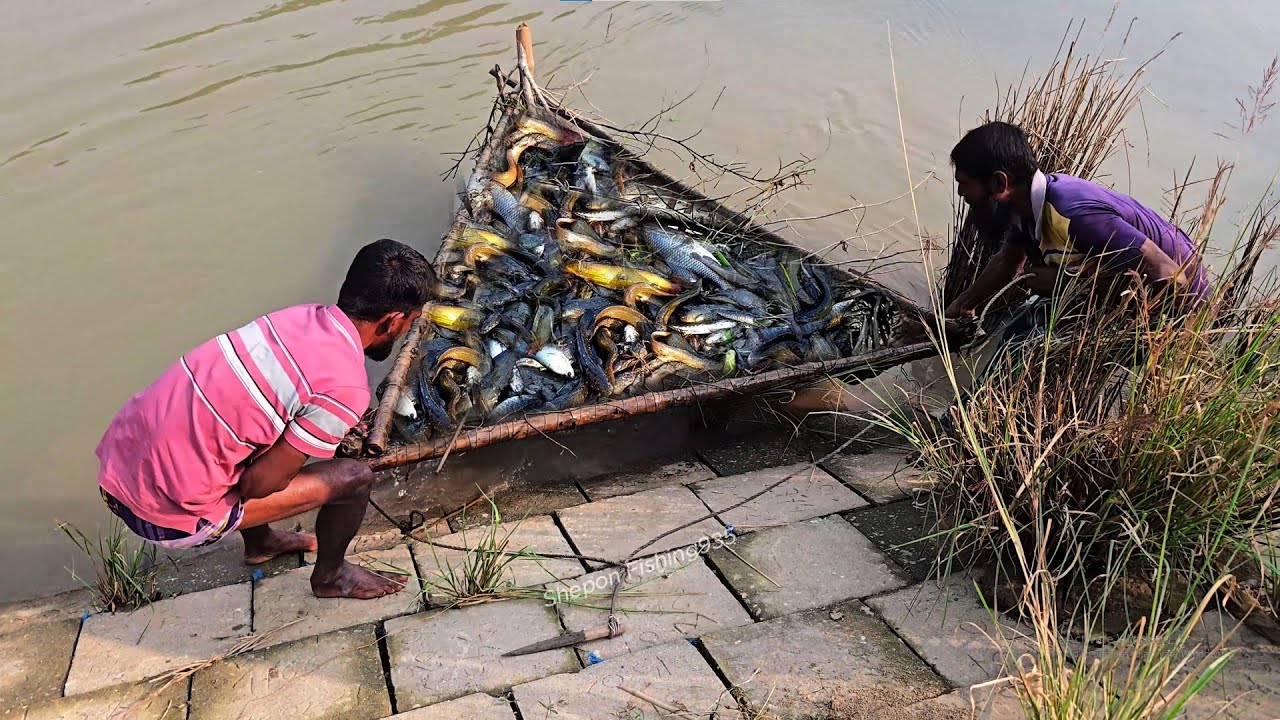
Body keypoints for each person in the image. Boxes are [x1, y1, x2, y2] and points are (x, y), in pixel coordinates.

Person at [96, 239, 433, 599]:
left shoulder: (294, 318)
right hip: (163, 517)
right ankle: (331, 576)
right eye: (410, 321)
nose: (405, 329)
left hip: (117, 468)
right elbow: (259, 486)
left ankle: (261, 543)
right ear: (393, 321)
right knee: (354, 478)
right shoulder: (347, 386)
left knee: (258, 429)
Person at [945, 121, 1209, 321]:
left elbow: (1170, 277)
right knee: (1024, 326)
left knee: (1022, 339)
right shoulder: (1025, 209)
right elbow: (1007, 262)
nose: (960, 194)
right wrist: (962, 305)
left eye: (965, 184)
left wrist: (1066, 285)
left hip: (1183, 309)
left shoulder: (1075, 214)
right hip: (1124, 297)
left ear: (999, 183)